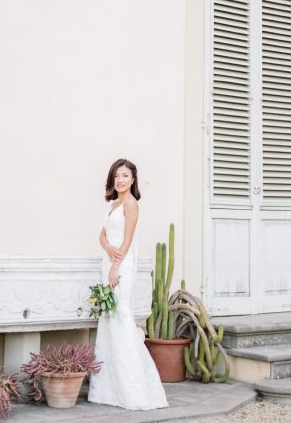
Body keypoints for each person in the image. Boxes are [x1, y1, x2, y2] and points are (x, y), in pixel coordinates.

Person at [88, 158, 168, 410]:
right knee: (109, 320)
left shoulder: (131, 204)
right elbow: (102, 235)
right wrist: (107, 248)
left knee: (121, 318)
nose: (120, 180)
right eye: (117, 176)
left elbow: (128, 239)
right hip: (108, 262)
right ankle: (109, 390)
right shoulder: (113, 204)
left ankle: (134, 391)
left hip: (120, 267)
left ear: (133, 179)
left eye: (125, 176)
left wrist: (115, 266)